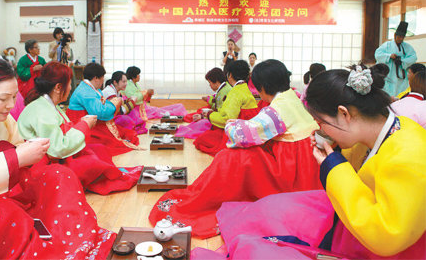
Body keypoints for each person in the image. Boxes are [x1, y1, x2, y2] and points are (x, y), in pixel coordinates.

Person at [192, 65, 426, 259]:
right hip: (350, 214)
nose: (319, 129)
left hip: (376, 244)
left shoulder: (408, 156)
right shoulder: (395, 127)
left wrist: (333, 168)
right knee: (270, 209)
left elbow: (387, 235)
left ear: (344, 114)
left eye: (321, 122)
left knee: (260, 242)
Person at [0, 56, 115, 259]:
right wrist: (15, 158)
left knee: (60, 175)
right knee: (0, 211)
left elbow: (18, 151)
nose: (10, 106)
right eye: (3, 98)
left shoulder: (2, 119)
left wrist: (28, 153)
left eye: (14, 97)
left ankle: (70, 236)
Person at [150, 59, 322, 239]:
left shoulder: (276, 108)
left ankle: (210, 198)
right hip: (303, 165)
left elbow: (240, 135)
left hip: (288, 171)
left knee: (231, 157)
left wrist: (232, 124)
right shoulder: (291, 97)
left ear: (262, 86)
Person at [17, 62, 140, 194]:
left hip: (58, 152)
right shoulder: (42, 110)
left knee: (100, 150)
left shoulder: (50, 103)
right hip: (45, 161)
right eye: (69, 84)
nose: (71, 88)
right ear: (58, 87)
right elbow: (56, 149)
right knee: (94, 161)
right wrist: (84, 125)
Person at [67, 63, 141, 156]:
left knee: (126, 132)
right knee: (109, 143)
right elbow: (100, 112)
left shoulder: (89, 88)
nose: (103, 80)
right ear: (96, 78)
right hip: (83, 125)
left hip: (92, 122)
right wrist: (114, 104)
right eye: (102, 77)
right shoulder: (86, 92)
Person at [193, 60, 262, 156]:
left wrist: (209, 114)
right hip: (250, 132)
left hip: (238, 134)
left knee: (200, 140)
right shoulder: (245, 89)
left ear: (230, 75)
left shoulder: (235, 93)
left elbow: (226, 119)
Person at [177, 68, 231, 139]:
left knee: (200, 125)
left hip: (222, 124)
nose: (209, 85)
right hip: (220, 118)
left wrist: (204, 116)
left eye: (210, 83)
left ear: (216, 82)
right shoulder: (224, 88)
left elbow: (220, 113)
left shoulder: (223, 92)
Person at [375, 21, 417, 97]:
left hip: (401, 76)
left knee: (401, 93)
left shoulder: (407, 47)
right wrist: (389, 56)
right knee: (387, 92)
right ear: (395, 35)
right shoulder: (387, 45)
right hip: (389, 74)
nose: (400, 39)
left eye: (402, 37)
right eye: (399, 36)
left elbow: (413, 58)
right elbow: (378, 54)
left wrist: (402, 61)